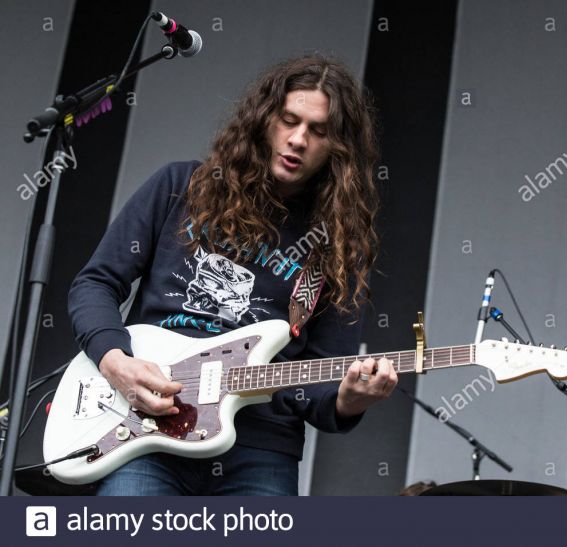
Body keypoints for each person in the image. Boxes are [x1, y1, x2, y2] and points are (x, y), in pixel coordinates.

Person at [68, 55, 397, 496]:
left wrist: (350, 399)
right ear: (264, 120)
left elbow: (319, 382)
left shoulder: (338, 248)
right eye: (288, 120)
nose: (298, 139)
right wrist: (115, 362)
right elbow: (95, 284)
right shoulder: (181, 187)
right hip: (146, 427)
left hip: (259, 450)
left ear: (337, 148)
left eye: (318, 131)